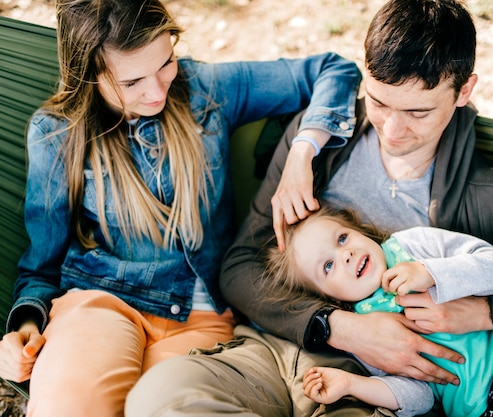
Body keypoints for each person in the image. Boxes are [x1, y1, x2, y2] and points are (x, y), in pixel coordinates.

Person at [126, 0, 493, 416]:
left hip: (381, 393)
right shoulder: (320, 143)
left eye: (419, 111)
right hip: (274, 348)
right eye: (380, 102)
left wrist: (491, 312)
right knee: (159, 399)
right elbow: (240, 267)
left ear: (464, 91)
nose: (391, 130)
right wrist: (340, 326)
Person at [0, 0, 362, 416]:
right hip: (102, 301)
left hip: (204, 318)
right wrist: (25, 327)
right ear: (91, 76)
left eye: (165, 62)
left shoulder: (204, 87)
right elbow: (40, 264)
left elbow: (334, 69)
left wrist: (302, 154)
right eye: (132, 81)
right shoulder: (57, 133)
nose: (156, 91)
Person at [265, 206, 493, 417]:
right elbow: (419, 397)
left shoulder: (410, 246)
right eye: (327, 267)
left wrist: (432, 273)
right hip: (483, 408)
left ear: (358, 230)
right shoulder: (364, 333)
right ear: (328, 296)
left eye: (342, 239)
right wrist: (353, 384)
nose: (343, 255)